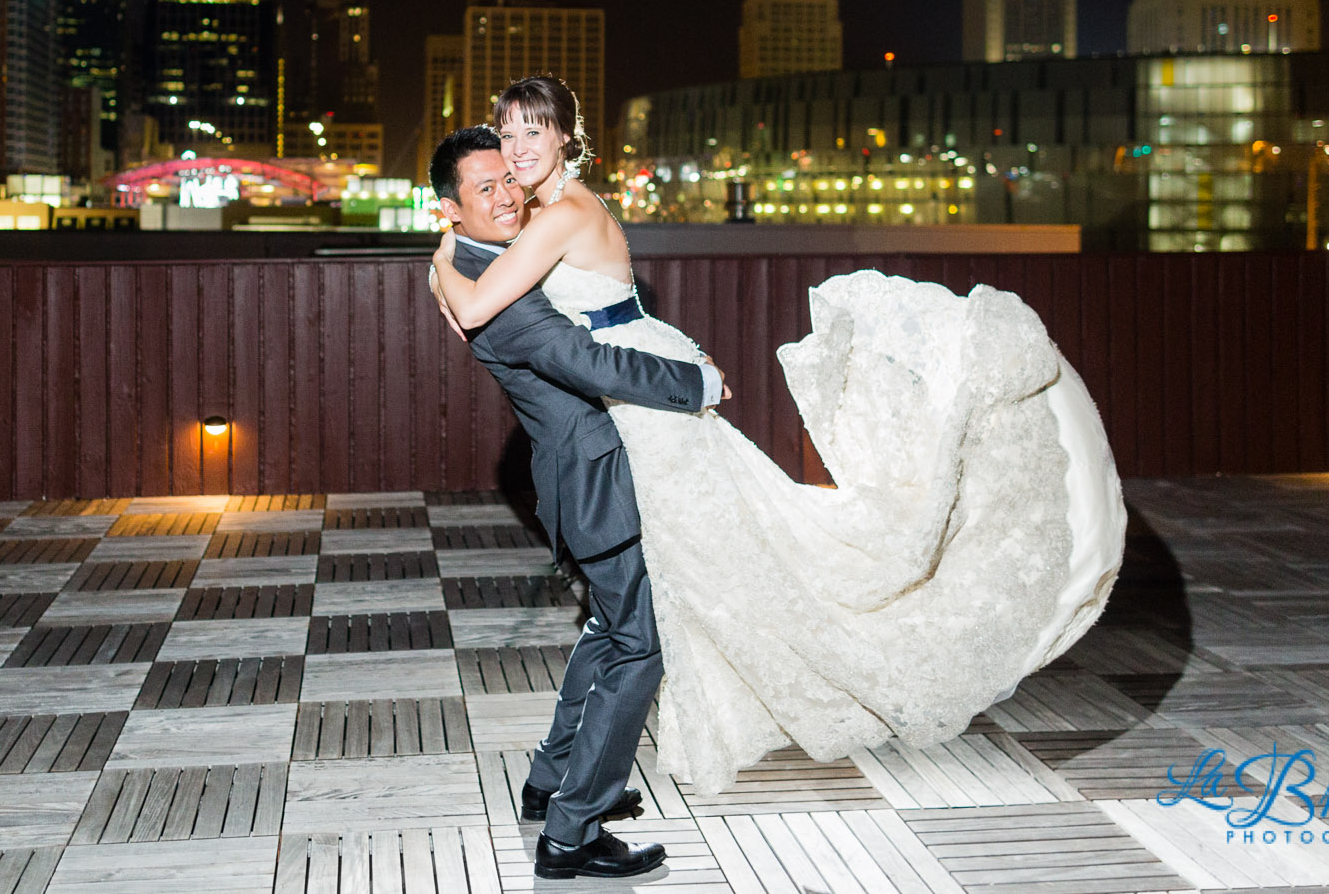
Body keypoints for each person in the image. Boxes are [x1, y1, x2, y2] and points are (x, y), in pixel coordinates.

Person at [431, 74, 1127, 796]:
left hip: (648, 409)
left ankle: (581, 790)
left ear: (566, 139)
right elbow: (508, 299)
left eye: (534, 132)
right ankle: (567, 782)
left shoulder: (561, 214)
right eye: (507, 133)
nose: (517, 149)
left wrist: (442, 254)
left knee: (693, 588)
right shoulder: (539, 210)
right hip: (631, 406)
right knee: (642, 606)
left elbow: (477, 307)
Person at [427, 125, 726, 881]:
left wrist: (444, 258)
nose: (507, 195)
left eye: (508, 178)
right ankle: (572, 832)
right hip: (593, 481)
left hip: (578, 473)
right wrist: (697, 383)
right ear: (451, 208)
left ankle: (551, 779)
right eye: (484, 188)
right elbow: (588, 362)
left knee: (608, 627)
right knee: (639, 645)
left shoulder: (475, 262)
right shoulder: (503, 300)